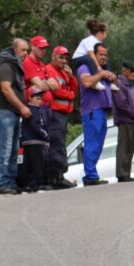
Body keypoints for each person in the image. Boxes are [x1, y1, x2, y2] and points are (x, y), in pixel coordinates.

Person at [0, 38, 30, 195]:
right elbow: (6, 89)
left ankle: (10, 182)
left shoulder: (14, 65)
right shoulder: (6, 65)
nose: (26, 53)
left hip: (12, 112)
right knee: (4, 149)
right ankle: (1, 183)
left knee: (13, 150)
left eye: (27, 50)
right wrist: (22, 106)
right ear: (15, 49)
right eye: (23, 50)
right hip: (4, 111)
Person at [76, 43, 118, 186]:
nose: (104, 57)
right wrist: (101, 75)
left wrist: (111, 77)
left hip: (102, 111)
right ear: (93, 55)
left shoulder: (103, 70)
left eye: (106, 54)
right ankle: (91, 176)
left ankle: (91, 174)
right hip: (92, 111)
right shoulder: (85, 67)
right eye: (101, 54)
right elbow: (87, 82)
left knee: (98, 145)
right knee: (92, 144)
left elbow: (114, 86)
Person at [43, 45, 78, 189]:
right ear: (53, 57)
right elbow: (57, 91)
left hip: (63, 113)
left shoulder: (64, 72)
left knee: (60, 143)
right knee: (57, 144)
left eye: (65, 58)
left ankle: (59, 175)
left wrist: (70, 77)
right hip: (55, 112)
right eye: (61, 57)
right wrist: (70, 94)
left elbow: (75, 89)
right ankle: (57, 177)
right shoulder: (49, 70)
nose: (64, 61)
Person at [113, 61, 134, 182]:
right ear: (124, 70)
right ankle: (122, 174)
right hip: (125, 120)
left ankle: (127, 173)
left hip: (132, 120)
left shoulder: (130, 85)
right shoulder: (119, 83)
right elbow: (121, 104)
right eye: (131, 71)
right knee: (124, 147)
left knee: (130, 147)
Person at [21, 88, 52, 192]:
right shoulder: (31, 109)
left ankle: (29, 186)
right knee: (36, 164)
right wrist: (45, 134)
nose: (40, 101)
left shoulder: (38, 109)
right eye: (37, 98)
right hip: (34, 141)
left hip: (32, 141)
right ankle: (36, 185)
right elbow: (35, 125)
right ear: (30, 98)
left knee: (29, 164)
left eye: (41, 99)